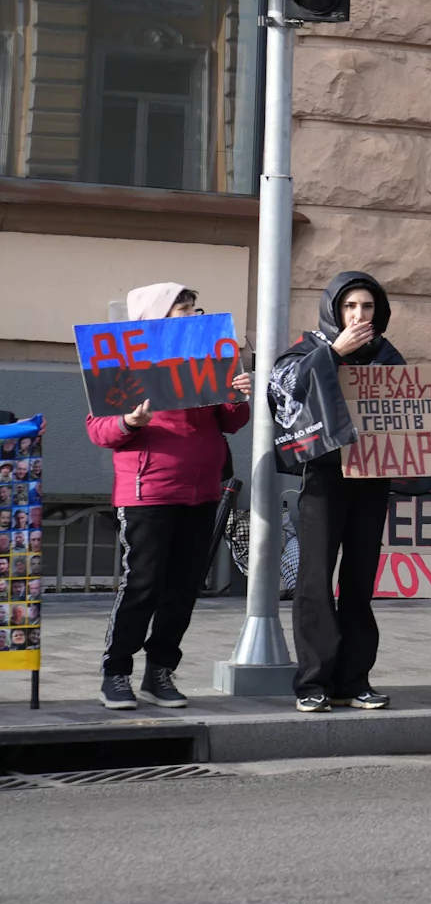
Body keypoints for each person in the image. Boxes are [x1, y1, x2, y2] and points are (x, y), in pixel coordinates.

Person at [271, 272, 431, 713]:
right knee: (315, 579)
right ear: (335, 310)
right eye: (350, 307)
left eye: (367, 307)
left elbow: (406, 413)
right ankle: (313, 681)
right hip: (324, 480)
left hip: (372, 480)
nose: (358, 315)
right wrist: (333, 353)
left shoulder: (387, 356)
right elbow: (285, 390)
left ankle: (354, 680)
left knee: (359, 581)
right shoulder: (308, 349)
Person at [86, 282, 253, 710]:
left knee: (182, 587)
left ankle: (160, 671)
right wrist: (129, 420)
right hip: (148, 492)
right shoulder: (125, 361)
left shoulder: (206, 356)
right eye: (184, 309)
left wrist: (237, 391)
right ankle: (116, 672)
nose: (194, 317)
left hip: (201, 491)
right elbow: (99, 430)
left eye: (196, 309)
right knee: (142, 583)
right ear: (157, 318)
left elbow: (232, 422)